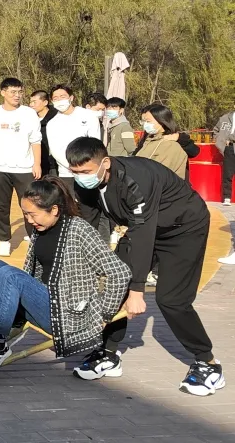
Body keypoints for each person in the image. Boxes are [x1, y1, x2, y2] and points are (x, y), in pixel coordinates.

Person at [66, 137, 224, 395]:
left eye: (85, 171)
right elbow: (87, 227)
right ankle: (109, 354)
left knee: (171, 300)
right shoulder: (85, 184)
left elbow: (142, 234)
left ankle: (208, 363)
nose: (81, 177)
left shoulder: (135, 180)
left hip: (183, 229)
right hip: (144, 227)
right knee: (116, 283)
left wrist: (137, 290)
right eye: (75, 172)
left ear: (105, 163)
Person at [0, 178, 130, 377]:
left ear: (54, 210)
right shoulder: (40, 229)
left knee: (11, 276)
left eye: (32, 214)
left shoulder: (79, 230)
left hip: (67, 315)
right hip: (43, 302)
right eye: (25, 214)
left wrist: (105, 314)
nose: (29, 220)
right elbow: (30, 273)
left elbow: (120, 272)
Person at [0, 78, 42, 257]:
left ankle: (34, 238)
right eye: (13, 92)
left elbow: (35, 140)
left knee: (31, 204)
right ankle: (4, 241)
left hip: (24, 168)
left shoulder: (29, 113)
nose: (17, 95)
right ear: (3, 92)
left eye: (19, 92)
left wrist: (37, 163)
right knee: (0, 205)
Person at [45, 85, 102, 179]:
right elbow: (55, 149)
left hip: (89, 171)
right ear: (52, 101)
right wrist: (73, 167)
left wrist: (86, 166)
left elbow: (95, 143)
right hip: (66, 173)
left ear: (71, 98)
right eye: (56, 98)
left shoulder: (89, 116)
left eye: (62, 97)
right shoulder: (52, 123)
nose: (59, 100)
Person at [136, 104, 190, 179]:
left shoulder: (170, 145)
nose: (145, 125)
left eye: (148, 121)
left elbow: (160, 175)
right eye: (143, 121)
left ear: (162, 121)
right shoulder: (148, 140)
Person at [29, 90, 57, 176]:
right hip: (36, 164)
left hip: (54, 165)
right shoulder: (30, 119)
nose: (31, 105)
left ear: (45, 102)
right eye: (30, 102)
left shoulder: (57, 117)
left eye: (34, 102)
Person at [214, 108, 235, 207]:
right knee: (227, 174)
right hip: (229, 148)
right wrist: (219, 141)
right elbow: (216, 130)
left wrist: (230, 137)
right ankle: (227, 197)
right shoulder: (224, 118)